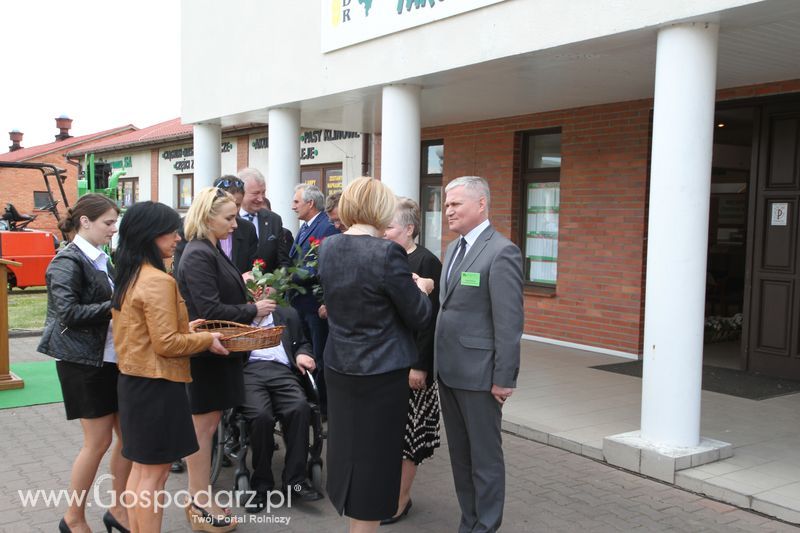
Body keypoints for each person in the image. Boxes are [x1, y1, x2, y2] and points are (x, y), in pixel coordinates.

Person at [318, 177, 433, 533]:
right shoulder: (387, 252)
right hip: (380, 373)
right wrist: (423, 289)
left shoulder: (329, 246)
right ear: (381, 208)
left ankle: (353, 519)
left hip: (339, 364)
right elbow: (418, 315)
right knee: (376, 459)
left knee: (345, 450)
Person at [111, 201, 229, 533]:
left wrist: (186, 330)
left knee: (141, 473)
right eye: (170, 231)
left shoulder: (130, 275)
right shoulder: (158, 280)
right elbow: (166, 345)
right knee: (154, 476)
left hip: (135, 384)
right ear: (150, 235)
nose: (178, 237)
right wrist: (205, 339)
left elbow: (144, 335)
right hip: (158, 386)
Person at [176, 187, 275, 530]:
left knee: (208, 426)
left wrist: (249, 296)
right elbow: (208, 309)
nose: (235, 224)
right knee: (202, 430)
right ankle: (197, 500)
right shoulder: (199, 253)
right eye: (229, 218)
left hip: (218, 353)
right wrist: (253, 308)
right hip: (207, 354)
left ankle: (201, 494)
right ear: (207, 218)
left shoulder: (210, 249)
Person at [37, 194, 131, 533]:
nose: (113, 229)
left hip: (111, 359)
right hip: (82, 362)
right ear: (85, 222)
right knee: (98, 442)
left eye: (114, 222)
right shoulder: (67, 261)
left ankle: (118, 509)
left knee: (129, 438)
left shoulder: (103, 259)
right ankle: (73, 518)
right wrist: (116, 305)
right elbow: (67, 314)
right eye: (108, 222)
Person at [436, 176, 523, 533]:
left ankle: (486, 525)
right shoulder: (453, 249)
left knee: (484, 460)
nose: (448, 210)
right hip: (449, 372)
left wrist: (504, 378)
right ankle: (468, 521)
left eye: (456, 203)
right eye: (446, 204)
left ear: (481, 204)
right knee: (461, 458)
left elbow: (509, 322)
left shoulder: (502, 251)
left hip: (480, 376)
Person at [381, 197, 442, 525]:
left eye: (389, 227)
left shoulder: (426, 261)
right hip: (390, 365)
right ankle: (392, 494)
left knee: (409, 438)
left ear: (409, 229)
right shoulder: (388, 258)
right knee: (392, 435)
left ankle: (401, 501)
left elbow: (429, 321)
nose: (384, 232)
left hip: (413, 367)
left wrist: (420, 365)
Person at [240, 305, 323, 512]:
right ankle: (261, 485)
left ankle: (295, 481)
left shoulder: (287, 314)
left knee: (300, 408)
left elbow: (302, 343)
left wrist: (302, 354)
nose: (260, 293)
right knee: (261, 416)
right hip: (248, 372)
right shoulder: (238, 317)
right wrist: (251, 313)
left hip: (282, 370)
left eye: (265, 288)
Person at [290, 183, 339, 414]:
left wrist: (290, 278)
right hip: (301, 304)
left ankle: (321, 407)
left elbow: (321, 266)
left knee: (318, 356)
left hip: (314, 305)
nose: (293, 206)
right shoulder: (306, 227)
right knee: (305, 353)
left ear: (310, 203)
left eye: (296, 202)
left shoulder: (326, 227)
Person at [238, 167, 290, 272]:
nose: (261, 199)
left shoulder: (274, 220)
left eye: (263, 193)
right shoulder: (230, 219)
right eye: (255, 193)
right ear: (241, 193)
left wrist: (276, 286)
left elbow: (283, 262)